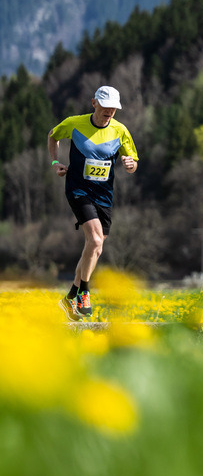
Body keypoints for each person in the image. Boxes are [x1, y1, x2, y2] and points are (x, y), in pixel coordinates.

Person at [49, 86, 139, 321]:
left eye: (113, 110)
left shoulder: (120, 130)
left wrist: (130, 165)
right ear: (93, 103)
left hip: (104, 194)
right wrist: (55, 162)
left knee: (95, 247)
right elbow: (53, 136)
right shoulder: (75, 123)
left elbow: (132, 162)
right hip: (78, 189)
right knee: (96, 240)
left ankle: (70, 297)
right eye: (105, 108)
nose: (109, 113)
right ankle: (84, 293)